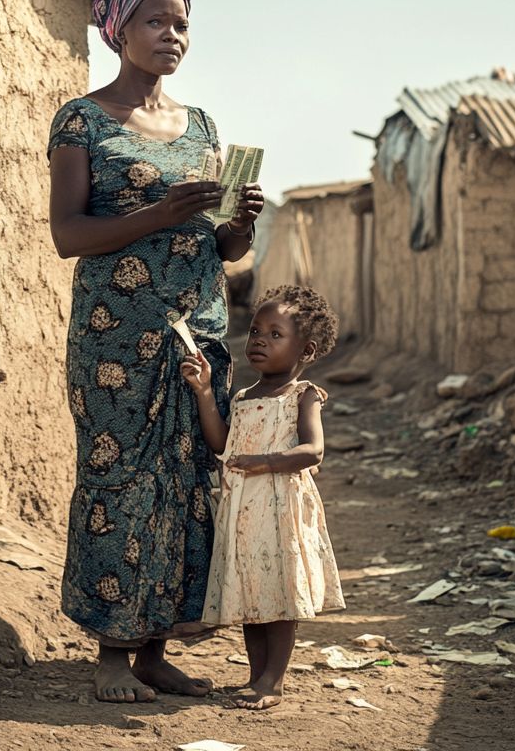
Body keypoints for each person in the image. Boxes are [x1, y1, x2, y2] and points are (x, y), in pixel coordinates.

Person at [47, 0, 264, 703]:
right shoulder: (81, 120)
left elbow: (223, 250)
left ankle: (154, 650)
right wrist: (159, 214)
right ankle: (111, 651)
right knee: (120, 478)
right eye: (155, 22)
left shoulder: (200, 125)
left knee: (188, 482)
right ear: (119, 30)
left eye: (180, 24)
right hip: (116, 338)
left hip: (195, 329)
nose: (172, 36)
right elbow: (68, 234)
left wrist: (235, 226)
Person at [181, 284, 345, 711]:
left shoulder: (302, 394)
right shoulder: (242, 398)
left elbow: (313, 451)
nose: (259, 340)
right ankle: (256, 678)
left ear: (305, 350)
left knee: (280, 598)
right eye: (256, 330)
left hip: (281, 512)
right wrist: (203, 392)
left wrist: (266, 461)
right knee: (253, 597)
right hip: (242, 515)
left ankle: (273, 681)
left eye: (275, 334)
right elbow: (221, 444)